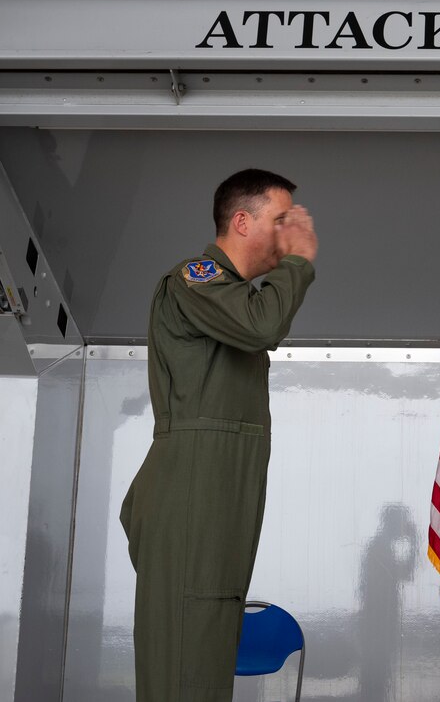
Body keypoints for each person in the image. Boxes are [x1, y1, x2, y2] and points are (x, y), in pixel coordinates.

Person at [119, 168, 318, 701]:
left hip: (217, 499)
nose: (289, 232)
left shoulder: (232, 299)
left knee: (203, 664)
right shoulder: (197, 278)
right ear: (241, 221)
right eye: (281, 220)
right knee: (185, 670)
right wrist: (298, 261)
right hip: (194, 499)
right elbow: (263, 325)